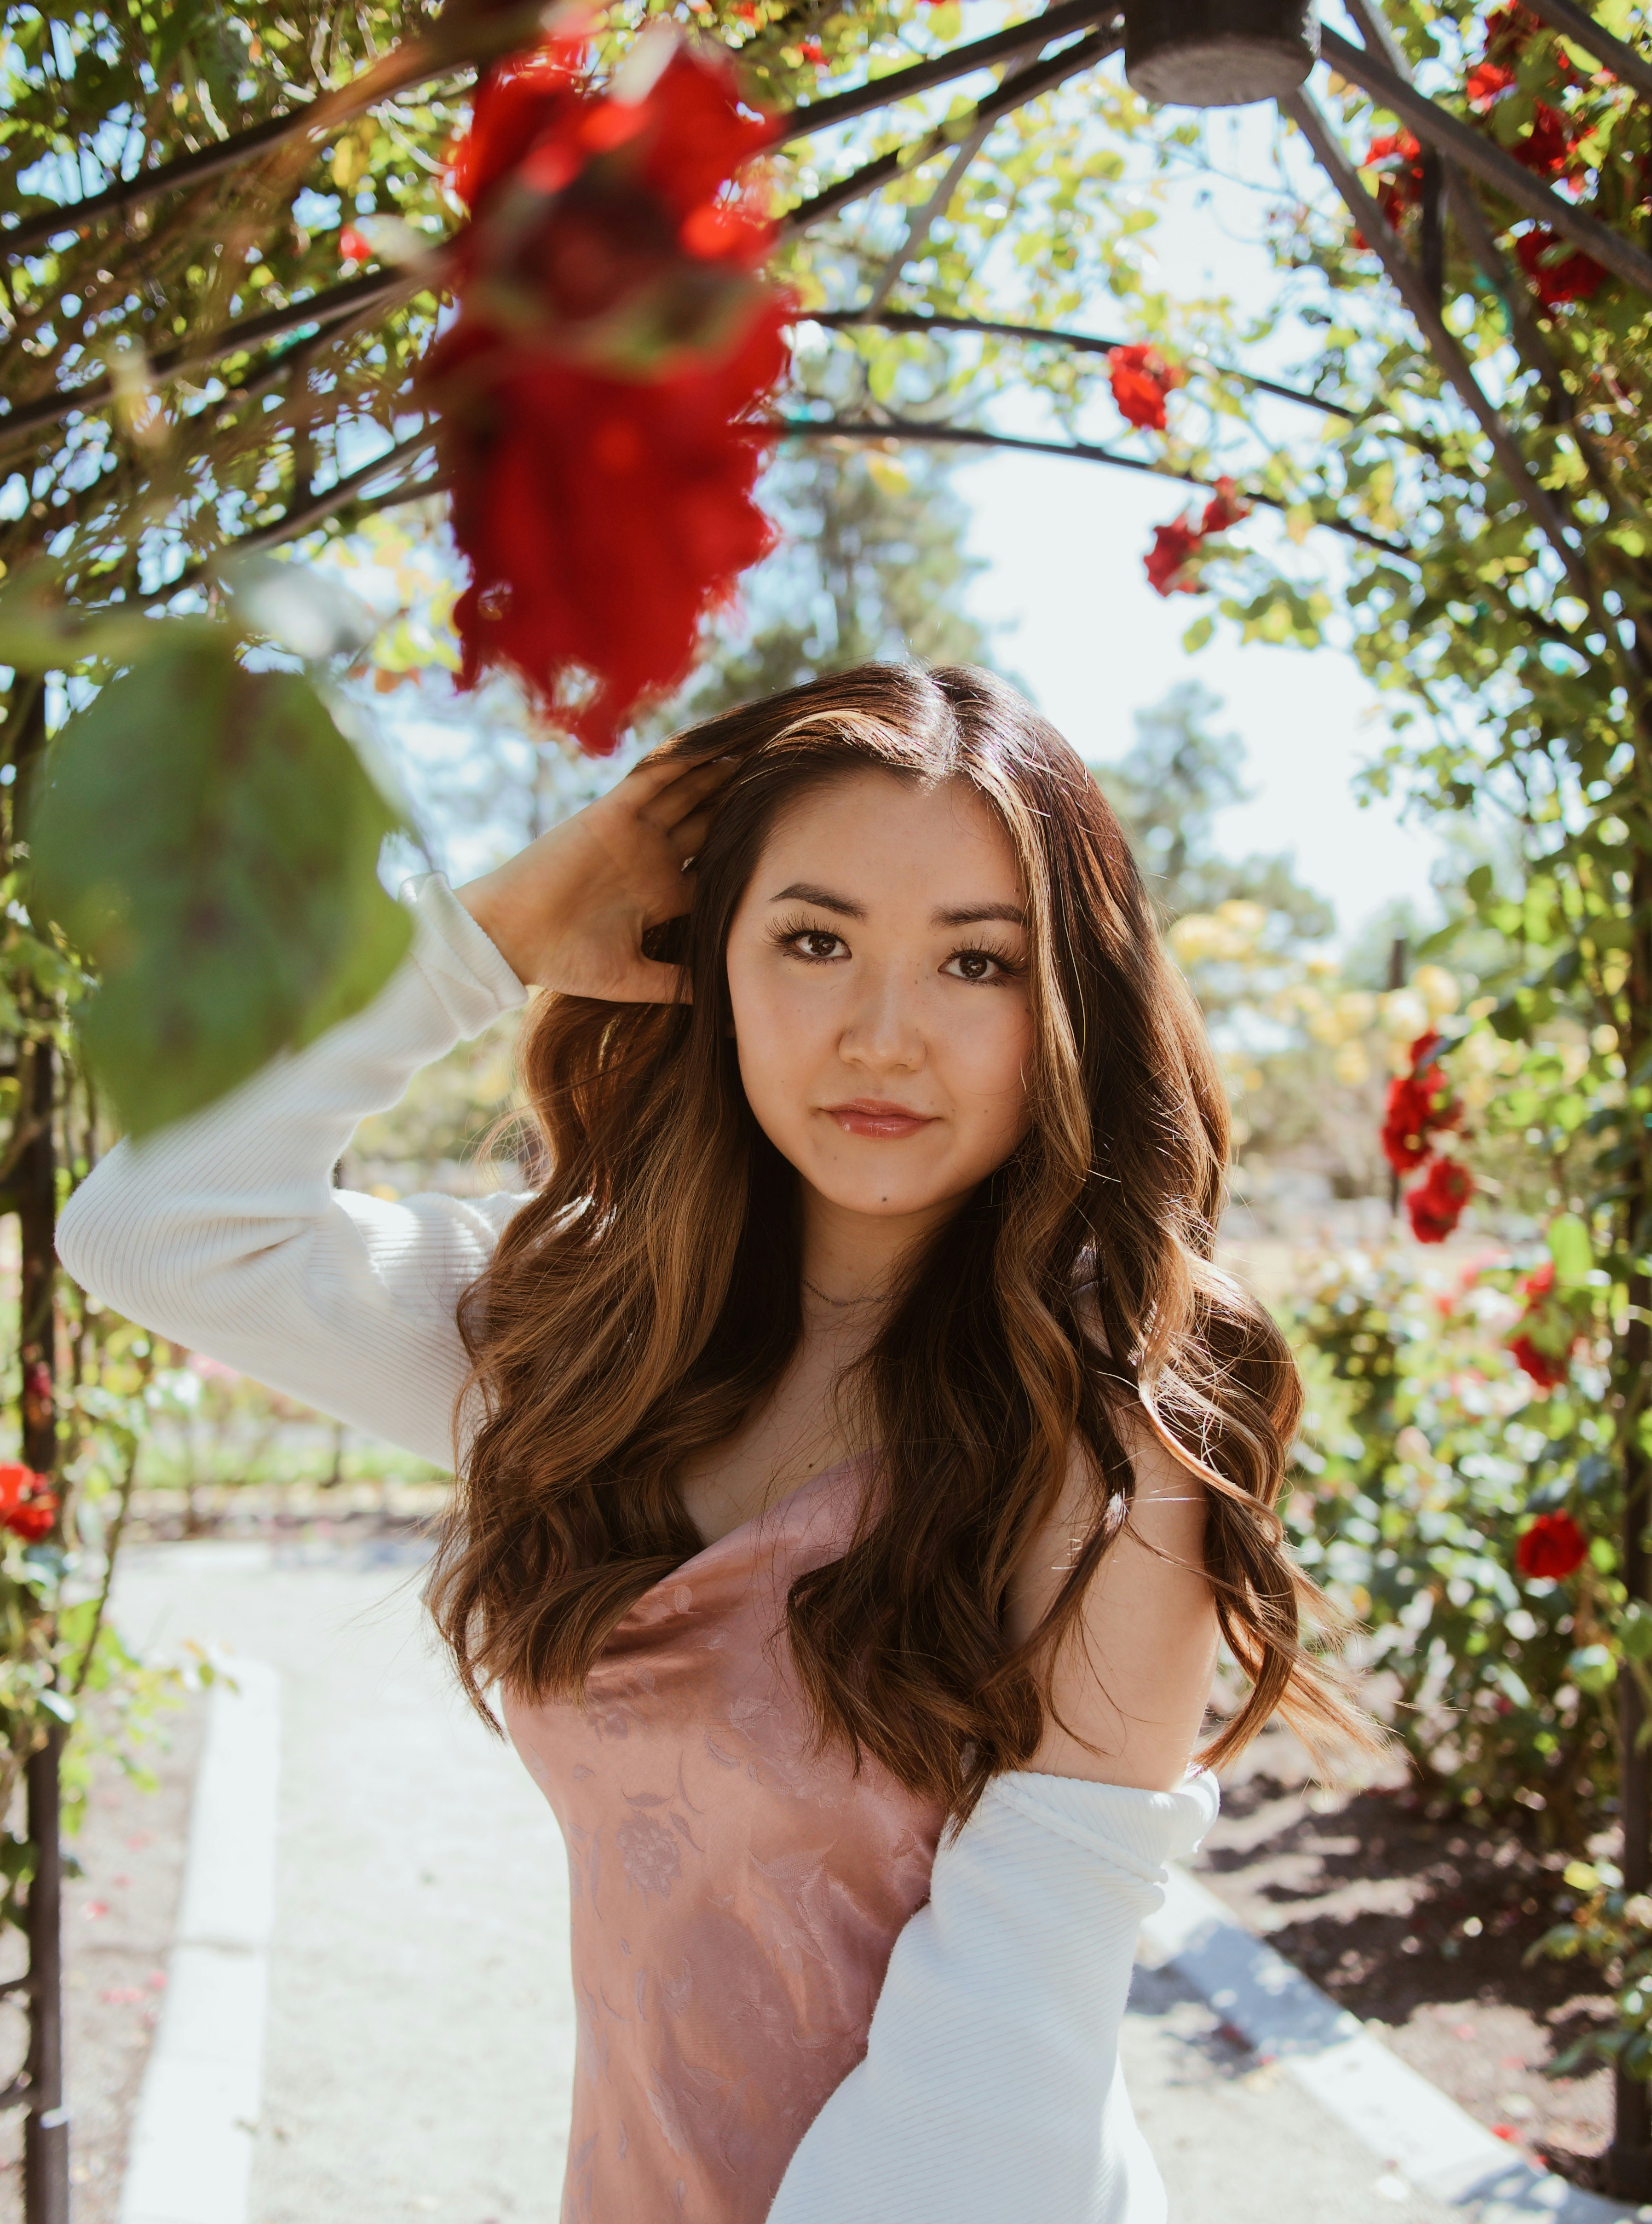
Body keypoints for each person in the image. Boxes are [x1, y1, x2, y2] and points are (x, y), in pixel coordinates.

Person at [59, 663, 1363, 2223]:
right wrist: (495, 933)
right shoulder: (593, 1343)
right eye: (815, 942)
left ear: (1068, 1002)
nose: (885, 1034)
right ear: (714, 967)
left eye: (977, 963)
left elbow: (1002, 2070)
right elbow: (155, 1231)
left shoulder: (1111, 1430)